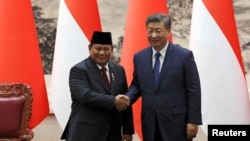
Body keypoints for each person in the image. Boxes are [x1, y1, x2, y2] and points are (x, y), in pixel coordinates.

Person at [121, 13, 202, 141]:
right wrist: (127, 98)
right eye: (150, 31)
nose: (154, 35)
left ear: (168, 31)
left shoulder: (184, 56)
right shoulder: (139, 57)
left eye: (158, 31)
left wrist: (193, 120)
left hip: (177, 123)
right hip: (150, 122)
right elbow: (137, 84)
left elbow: (193, 89)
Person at [61, 31, 134, 141]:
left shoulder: (119, 70)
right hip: (86, 133)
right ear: (90, 48)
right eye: (98, 48)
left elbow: (125, 100)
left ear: (112, 50)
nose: (102, 52)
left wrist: (128, 130)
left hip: (113, 133)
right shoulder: (79, 70)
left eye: (106, 49)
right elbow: (85, 96)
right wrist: (114, 100)